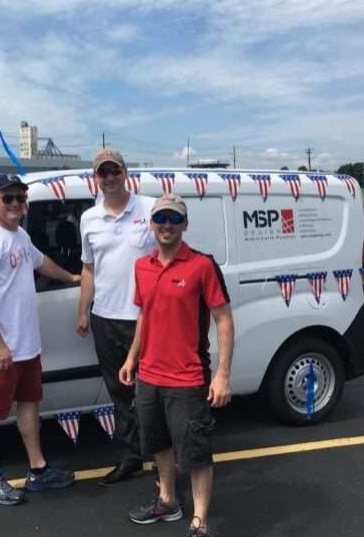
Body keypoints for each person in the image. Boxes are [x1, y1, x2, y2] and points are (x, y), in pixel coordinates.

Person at [119, 194, 234, 535]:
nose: (166, 225)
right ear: (152, 224)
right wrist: (131, 358)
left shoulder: (201, 265)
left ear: (184, 224)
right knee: (159, 444)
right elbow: (144, 315)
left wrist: (223, 375)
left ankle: (200, 522)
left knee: (195, 453)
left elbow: (224, 319)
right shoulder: (142, 266)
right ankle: (167, 501)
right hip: (149, 375)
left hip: (187, 377)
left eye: (174, 219)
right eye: (161, 219)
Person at [0, 174, 80, 506]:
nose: (16, 203)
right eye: (8, 197)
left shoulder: (20, 236)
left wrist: (72, 276)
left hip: (26, 343)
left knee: (29, 403)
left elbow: (42, 263)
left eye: (21, 197)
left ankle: (38, 470)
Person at [76, 148, 156, 486]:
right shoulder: (89, 218)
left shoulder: (151, 209)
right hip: (106, 317)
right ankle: (132, 456)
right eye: (102, 173)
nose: (108, 178)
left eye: (114, 171)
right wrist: (83, 310)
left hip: (146, 317)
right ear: (96, 178)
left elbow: (171, 253)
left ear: (126, 172)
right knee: (119, 392)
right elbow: (89, 267)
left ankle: (164, 457)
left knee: (155, 391)